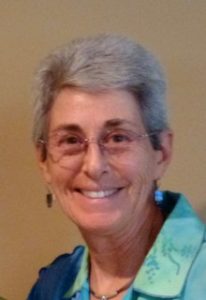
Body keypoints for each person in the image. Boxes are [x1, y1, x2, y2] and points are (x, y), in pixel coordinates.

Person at [28, 34, 206, 300]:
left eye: (117, 138)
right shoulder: (53, 287)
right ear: (43, 161)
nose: (94, 165)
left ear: (161, 153)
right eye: (71, 140)